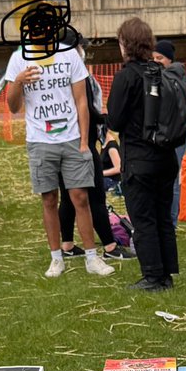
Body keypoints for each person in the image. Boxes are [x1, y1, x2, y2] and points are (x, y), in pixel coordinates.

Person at [4, 24, 115, 279]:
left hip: (73, 139)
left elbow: (81, 102)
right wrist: (19, 81)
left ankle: (91, 257)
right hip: (40, 141)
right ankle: (56, 258)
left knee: (81, 198)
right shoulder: (19, 58)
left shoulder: (68, 55)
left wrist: (85, 142)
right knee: (49, 199)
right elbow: (12, 106)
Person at [107, 17, 179, 292]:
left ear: (126, 44)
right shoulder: (159, 72)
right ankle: (166, 274)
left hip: (138, 158)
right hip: (165, 156)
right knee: (162, 217)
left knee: (143, 218)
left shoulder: (126, 76)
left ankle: (152, 276)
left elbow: (114, 120)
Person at [57, 37, 134, 262]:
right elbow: (87, 109)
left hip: (63, 142)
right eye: (81, 47)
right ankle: (110, 247)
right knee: (96, 197)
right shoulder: (79, 75)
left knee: (68, 197)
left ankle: (68, 244)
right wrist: (107, 120)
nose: (83, 52)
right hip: (82, 143)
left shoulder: (59, 75)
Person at [151, 38, 186, 227]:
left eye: (160, 57)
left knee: (173, 180)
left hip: (176, 138)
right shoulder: (153, 78)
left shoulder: (182, 80)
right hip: (157, 137)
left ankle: (171, 222)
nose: (156, 61)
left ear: (169, 59)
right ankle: (159, 219)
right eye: (153, 58)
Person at [101, 129, 122, 194]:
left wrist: (101, 173)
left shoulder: (111, 146)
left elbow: (118, 168)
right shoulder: (103, 144)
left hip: (112, 181)